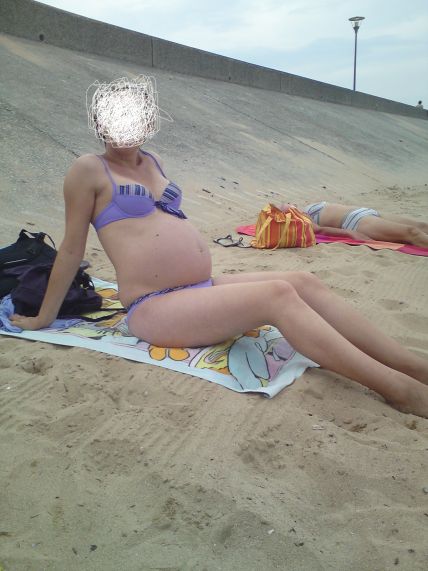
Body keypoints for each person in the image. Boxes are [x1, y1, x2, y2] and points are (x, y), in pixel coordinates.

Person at [10, 76, 428, 418]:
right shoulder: (88, 169)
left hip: (199, 288)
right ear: (100, 123)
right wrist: (45, 316)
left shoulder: (152, 162)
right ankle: (399, 389)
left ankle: (411, 366)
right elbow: (71, 249)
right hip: (154, 306)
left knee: (303, 280)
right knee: (277, 295)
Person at [302, 201, 428, 247]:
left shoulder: (295, 210)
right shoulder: (299, 219)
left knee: (422, 226)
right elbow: (319, 230)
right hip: (354, 221)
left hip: (365, 212)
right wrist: (350, 233)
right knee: (412, 233)